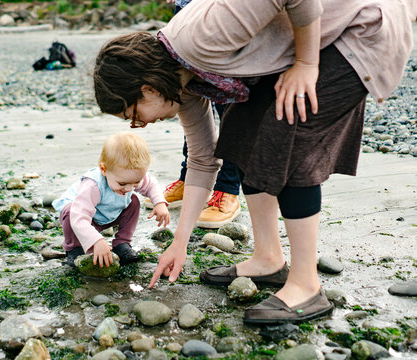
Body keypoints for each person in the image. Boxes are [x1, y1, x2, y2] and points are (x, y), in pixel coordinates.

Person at [93, 0, 414, 324]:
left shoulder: (200, 36)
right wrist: (180, 244)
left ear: (148, 89)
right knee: (240, 132)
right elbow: (203, 161)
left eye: (134, 116)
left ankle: (306, 285)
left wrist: (305, 64)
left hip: (362, 28)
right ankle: (268, 259)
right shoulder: (181, 80)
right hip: (319, 38)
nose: (141, 124)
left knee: (288, 129)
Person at [143, 0, 242, 230]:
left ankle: (227, 190)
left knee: (228, 104)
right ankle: (188, 179)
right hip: (186, 7)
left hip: (221, 11)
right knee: (187, 95)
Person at [52, 131, 170, 268]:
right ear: (104, 169)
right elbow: (79, 218)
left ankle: (122, 243)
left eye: (136, 182)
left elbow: (151, 184)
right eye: (122, 184)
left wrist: (160, 203)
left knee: (134, 201)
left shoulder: (128, 177)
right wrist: (96, 241)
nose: (128, 188)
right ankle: (73, 248)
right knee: (70, 210)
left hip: (108, 214)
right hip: (81, 218)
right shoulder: (93, 185)